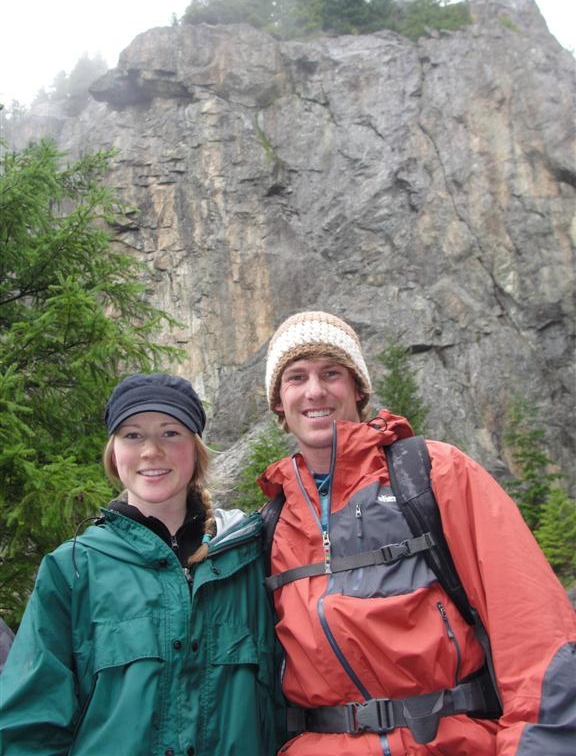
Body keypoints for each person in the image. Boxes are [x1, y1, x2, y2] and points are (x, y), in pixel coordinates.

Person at [257, 310, 576, 756]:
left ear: (358, 388)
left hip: (450, 742)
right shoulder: (273, 520)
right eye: (296, 377)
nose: (315, 391)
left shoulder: (433, 473)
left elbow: (531, 624)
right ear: (279, 401)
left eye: (331, 372)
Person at [0, 373, 284, 756]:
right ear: (114, 453)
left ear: (195, 449)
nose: (151, 451)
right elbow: (29, 725)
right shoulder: (73, 568)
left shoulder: (249, 558)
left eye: (170, 433)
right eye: (132, 435)